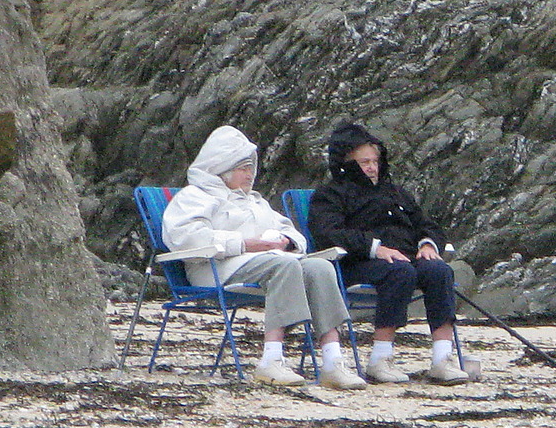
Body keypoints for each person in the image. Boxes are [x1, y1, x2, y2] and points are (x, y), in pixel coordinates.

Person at [161, 125, 366, 390]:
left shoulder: (255, 201)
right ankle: (271, 360)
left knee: (319, 268)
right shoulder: (194, 197)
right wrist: (246, 244)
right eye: (242, 168)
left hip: (265, 262)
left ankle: (332, 361)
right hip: (215, 267)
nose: (250, 175)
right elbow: (185, 237)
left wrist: (286, 242)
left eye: (250, 168)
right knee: (283, 266)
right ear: (222, 168)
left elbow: (291, 231)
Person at [308, 122, 468, 385]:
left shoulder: (395, 192)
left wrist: (428, 244)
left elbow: (426, 223)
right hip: (356, 262)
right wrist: (375, 248)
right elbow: (328, 233)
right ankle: (380, 359)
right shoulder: (330, 194)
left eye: (375, 161)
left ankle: (442, 358)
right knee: (399, 272)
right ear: (346, 163)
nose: (372, 167)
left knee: (439, 270)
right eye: (364, 162)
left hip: (406, 257)